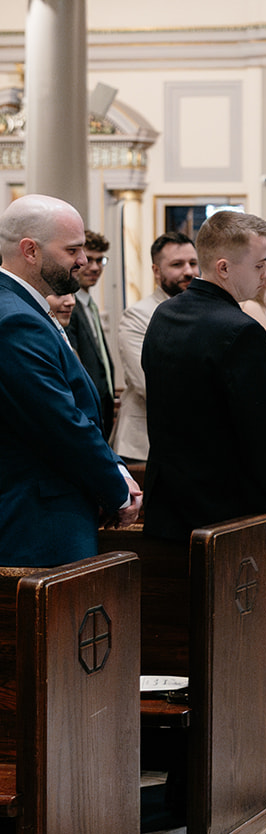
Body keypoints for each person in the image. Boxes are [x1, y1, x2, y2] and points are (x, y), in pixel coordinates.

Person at [0, 194, 141, 564]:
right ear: (30, 250)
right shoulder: (15, 318)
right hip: (38, 516)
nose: (83, 261)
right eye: (73, 250)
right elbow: (58, 420)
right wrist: (116, 489)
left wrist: (116, 469)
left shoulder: (26, 306)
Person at [142, 211, 266, 541]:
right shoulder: (242, 331)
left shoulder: (165, 313)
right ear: (223, 268)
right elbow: (261, 435)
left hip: (168, 503)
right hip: (226, 512)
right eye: (259, 264)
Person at [113, 231, 198, 472]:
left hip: (194, 442)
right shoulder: (138, 316)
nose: (189, 271)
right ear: (156, 271)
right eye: (177, 264)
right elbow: (147, 384)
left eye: (193, 263)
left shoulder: (207, 312)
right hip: (145, 444)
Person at [68, 228, 116, 438]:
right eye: (89, 260)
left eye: (100, 261)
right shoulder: (67, 306)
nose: (95, 267)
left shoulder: (89, 304)